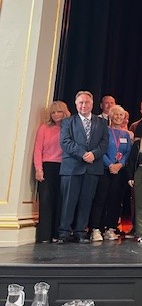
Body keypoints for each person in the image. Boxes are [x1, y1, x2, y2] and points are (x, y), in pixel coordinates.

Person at [58, 91, 109, 244]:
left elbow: (104, 143)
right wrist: (83, 154)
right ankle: (64, 232)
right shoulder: (68, 122)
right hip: (72, 167)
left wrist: (94, 154)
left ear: (92, 104)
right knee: (68, 201)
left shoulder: (101, 123)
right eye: (80, 102)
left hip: (92, 168)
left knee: (86, 201)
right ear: (76, 104)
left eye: (87, 102)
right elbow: (65, 142)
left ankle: (80, 231)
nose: (84, 105)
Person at [89, 105, 132, 241]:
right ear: (110, 116)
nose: (119, 117)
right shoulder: (104, 131)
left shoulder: (126, 134)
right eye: (116, 115)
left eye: (121, 115)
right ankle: (96, 228)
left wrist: (120, 164)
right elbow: (100, 150)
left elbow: (128, 152)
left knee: (115, 200)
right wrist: (110, 165)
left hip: (119, 171)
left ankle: (111, 228)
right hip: (104, 169)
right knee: (101, 198)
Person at [33, 100, 70, 243]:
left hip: (64, 167)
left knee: (61, 201)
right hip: (47, 167)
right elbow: (37, 149)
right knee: (46, 200)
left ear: (64, 112)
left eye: (59, 111)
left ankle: (57, 234)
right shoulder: (43, 128)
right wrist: (38, 169)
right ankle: (44, 236)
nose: (55, 115)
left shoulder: (69, 128)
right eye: (53, 112)